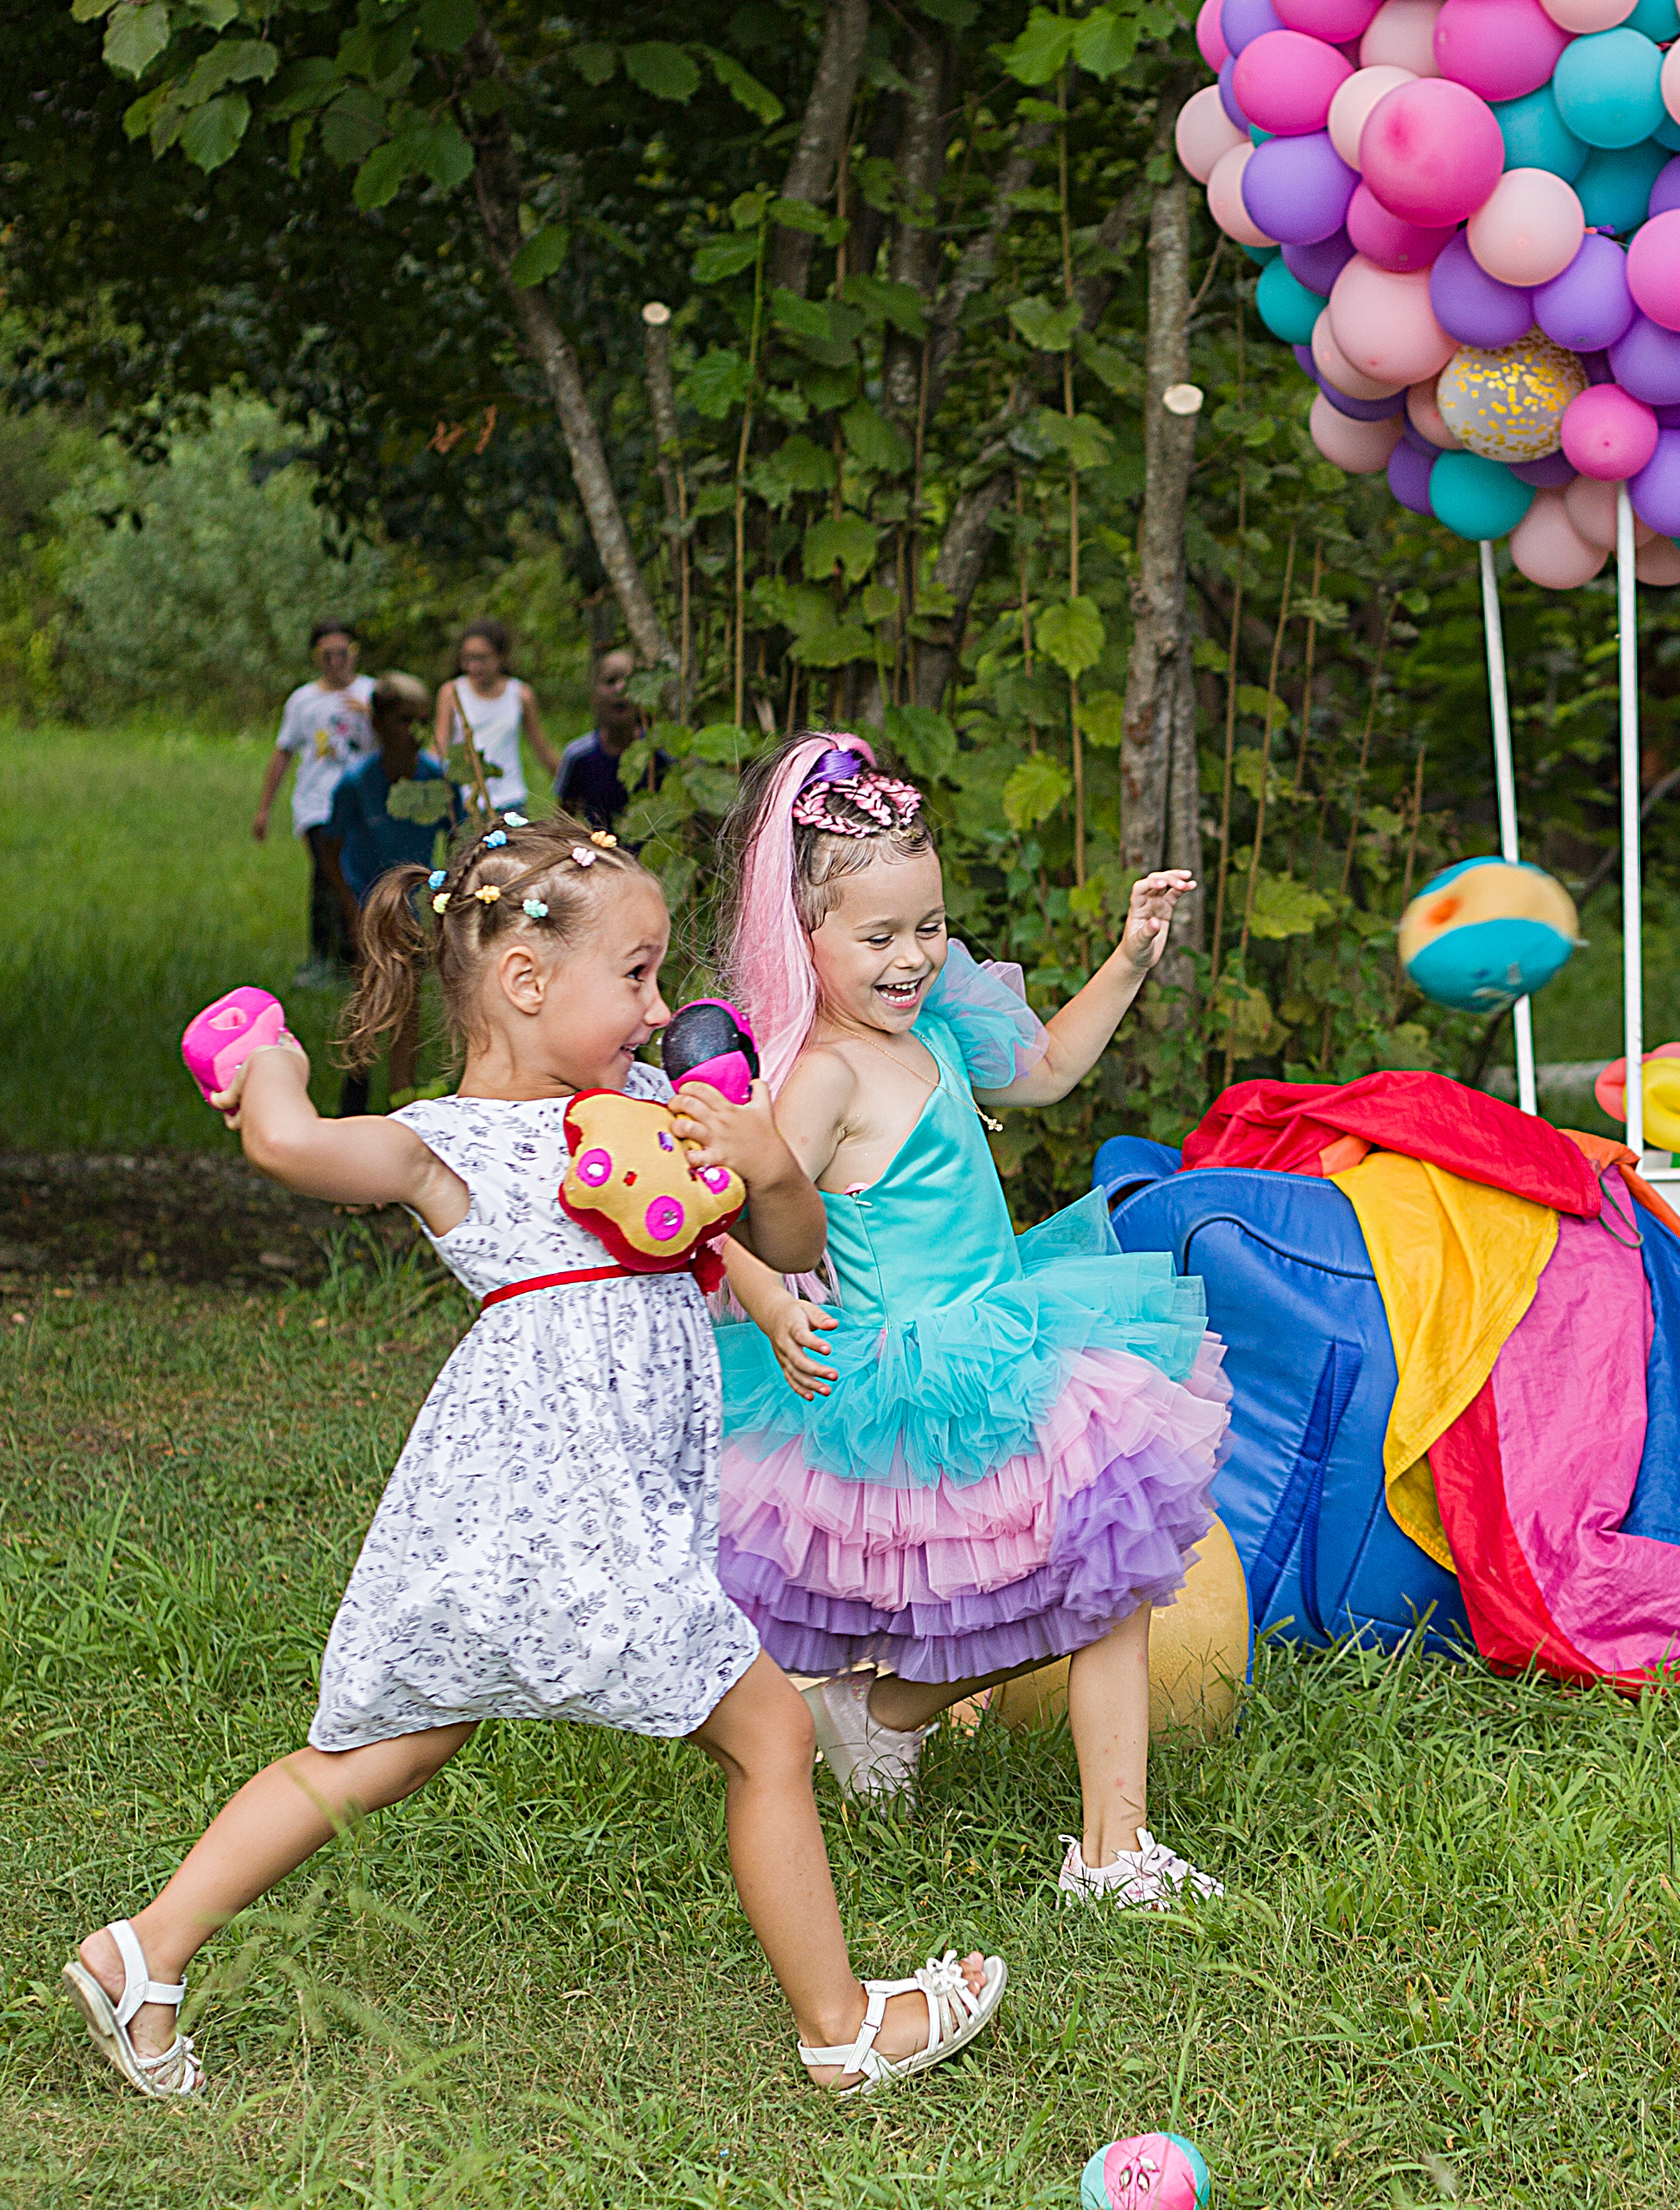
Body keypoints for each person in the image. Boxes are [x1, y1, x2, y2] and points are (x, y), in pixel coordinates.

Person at [61, 808, 1004, 2102]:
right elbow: (289, 1147)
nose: (661, 1004)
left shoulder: (649, 1120)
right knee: (770, 1734)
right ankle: (843, 2027)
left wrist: (765, 1160)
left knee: (385, 1749)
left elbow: (785, 1237)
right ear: (523, 981)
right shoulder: (449, 1142)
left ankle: (144, 1951)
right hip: (576, 1514)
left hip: (517, 1528)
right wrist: (262, 1057)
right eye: (635, 975)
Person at [713, 732, 1230, 1908]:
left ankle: (882, 1710)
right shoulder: (828, 1076)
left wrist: (1129, 958)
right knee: (1093, 1579)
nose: (912, 959)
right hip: (910, 1369)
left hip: (1007, 1334)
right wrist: (773, 1305)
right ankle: (1111, 1852)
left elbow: (1045, 1068)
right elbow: (735, 1209)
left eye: (928, 928)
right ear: (806, 941)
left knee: (1091, 1575)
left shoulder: (939, 1024)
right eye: (879, 937)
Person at [319, 674, 460, 1110]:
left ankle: (402, 1102)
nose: (414, 732)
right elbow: (331, 848)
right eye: (403, 720)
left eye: (422, 722)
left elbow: (457, 836)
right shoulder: (356, 784)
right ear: (379, 723)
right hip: (366, 906)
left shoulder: (436, 780)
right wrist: (349, 905)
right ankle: (354, 1091)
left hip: (415, 908)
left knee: (410, 1006)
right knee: (368, 1000)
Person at [253, 621, 375, 988]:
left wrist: (370, 714)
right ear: (316, 657)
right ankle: (323, 957)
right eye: (327, 655)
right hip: (317, 801)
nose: (336, 661)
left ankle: (358, 959)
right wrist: (264, 809)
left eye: (342, 653)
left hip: (363, 801)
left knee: (360, 879)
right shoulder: (303, 700)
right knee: (326, 877)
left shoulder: (373, 692)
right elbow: (283, 752)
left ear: (354, 652)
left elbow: (402, 740)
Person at [434, 620, 556, 814]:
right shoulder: (452, 693)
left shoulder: (520, 694)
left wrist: (570, 783)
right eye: (468, 659)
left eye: (482, 658)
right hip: (467, 802)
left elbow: (540, 746)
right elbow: (438, 748)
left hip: (510, 799)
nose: (474, 666)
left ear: (501, 657)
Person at [554, 647, 663, 835]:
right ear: (595, 695)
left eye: (629, 682)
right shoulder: (578, 756)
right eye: (610, 681)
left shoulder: (662, 754)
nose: (620, 689)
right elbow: (562, 824)